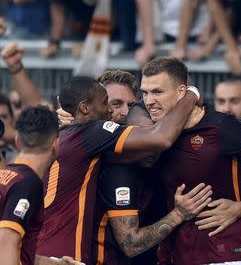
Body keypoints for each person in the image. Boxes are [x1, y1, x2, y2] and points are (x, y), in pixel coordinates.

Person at [36, 76, 202, 263]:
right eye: (109, 102)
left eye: (130, 105)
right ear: (84, 107)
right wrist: (191, 94)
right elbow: (162, 137)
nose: (112, 110)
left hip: (45, 250)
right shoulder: (92, 132)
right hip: (65, 255)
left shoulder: (67, 138)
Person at [133, 57, 241, 264]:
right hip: (175, 256)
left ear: (182, 92)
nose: (148, 101)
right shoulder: (152, 136)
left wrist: (240, 209)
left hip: (228, 255)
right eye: (145, 92)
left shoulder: (222, 127)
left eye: (158, 92)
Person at [0, 106, 81, 265]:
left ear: (17, 141)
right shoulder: (28, 184)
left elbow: (19, 253)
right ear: (56, 145)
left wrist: (56, 263)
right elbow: (6, 241)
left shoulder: (5, 176)